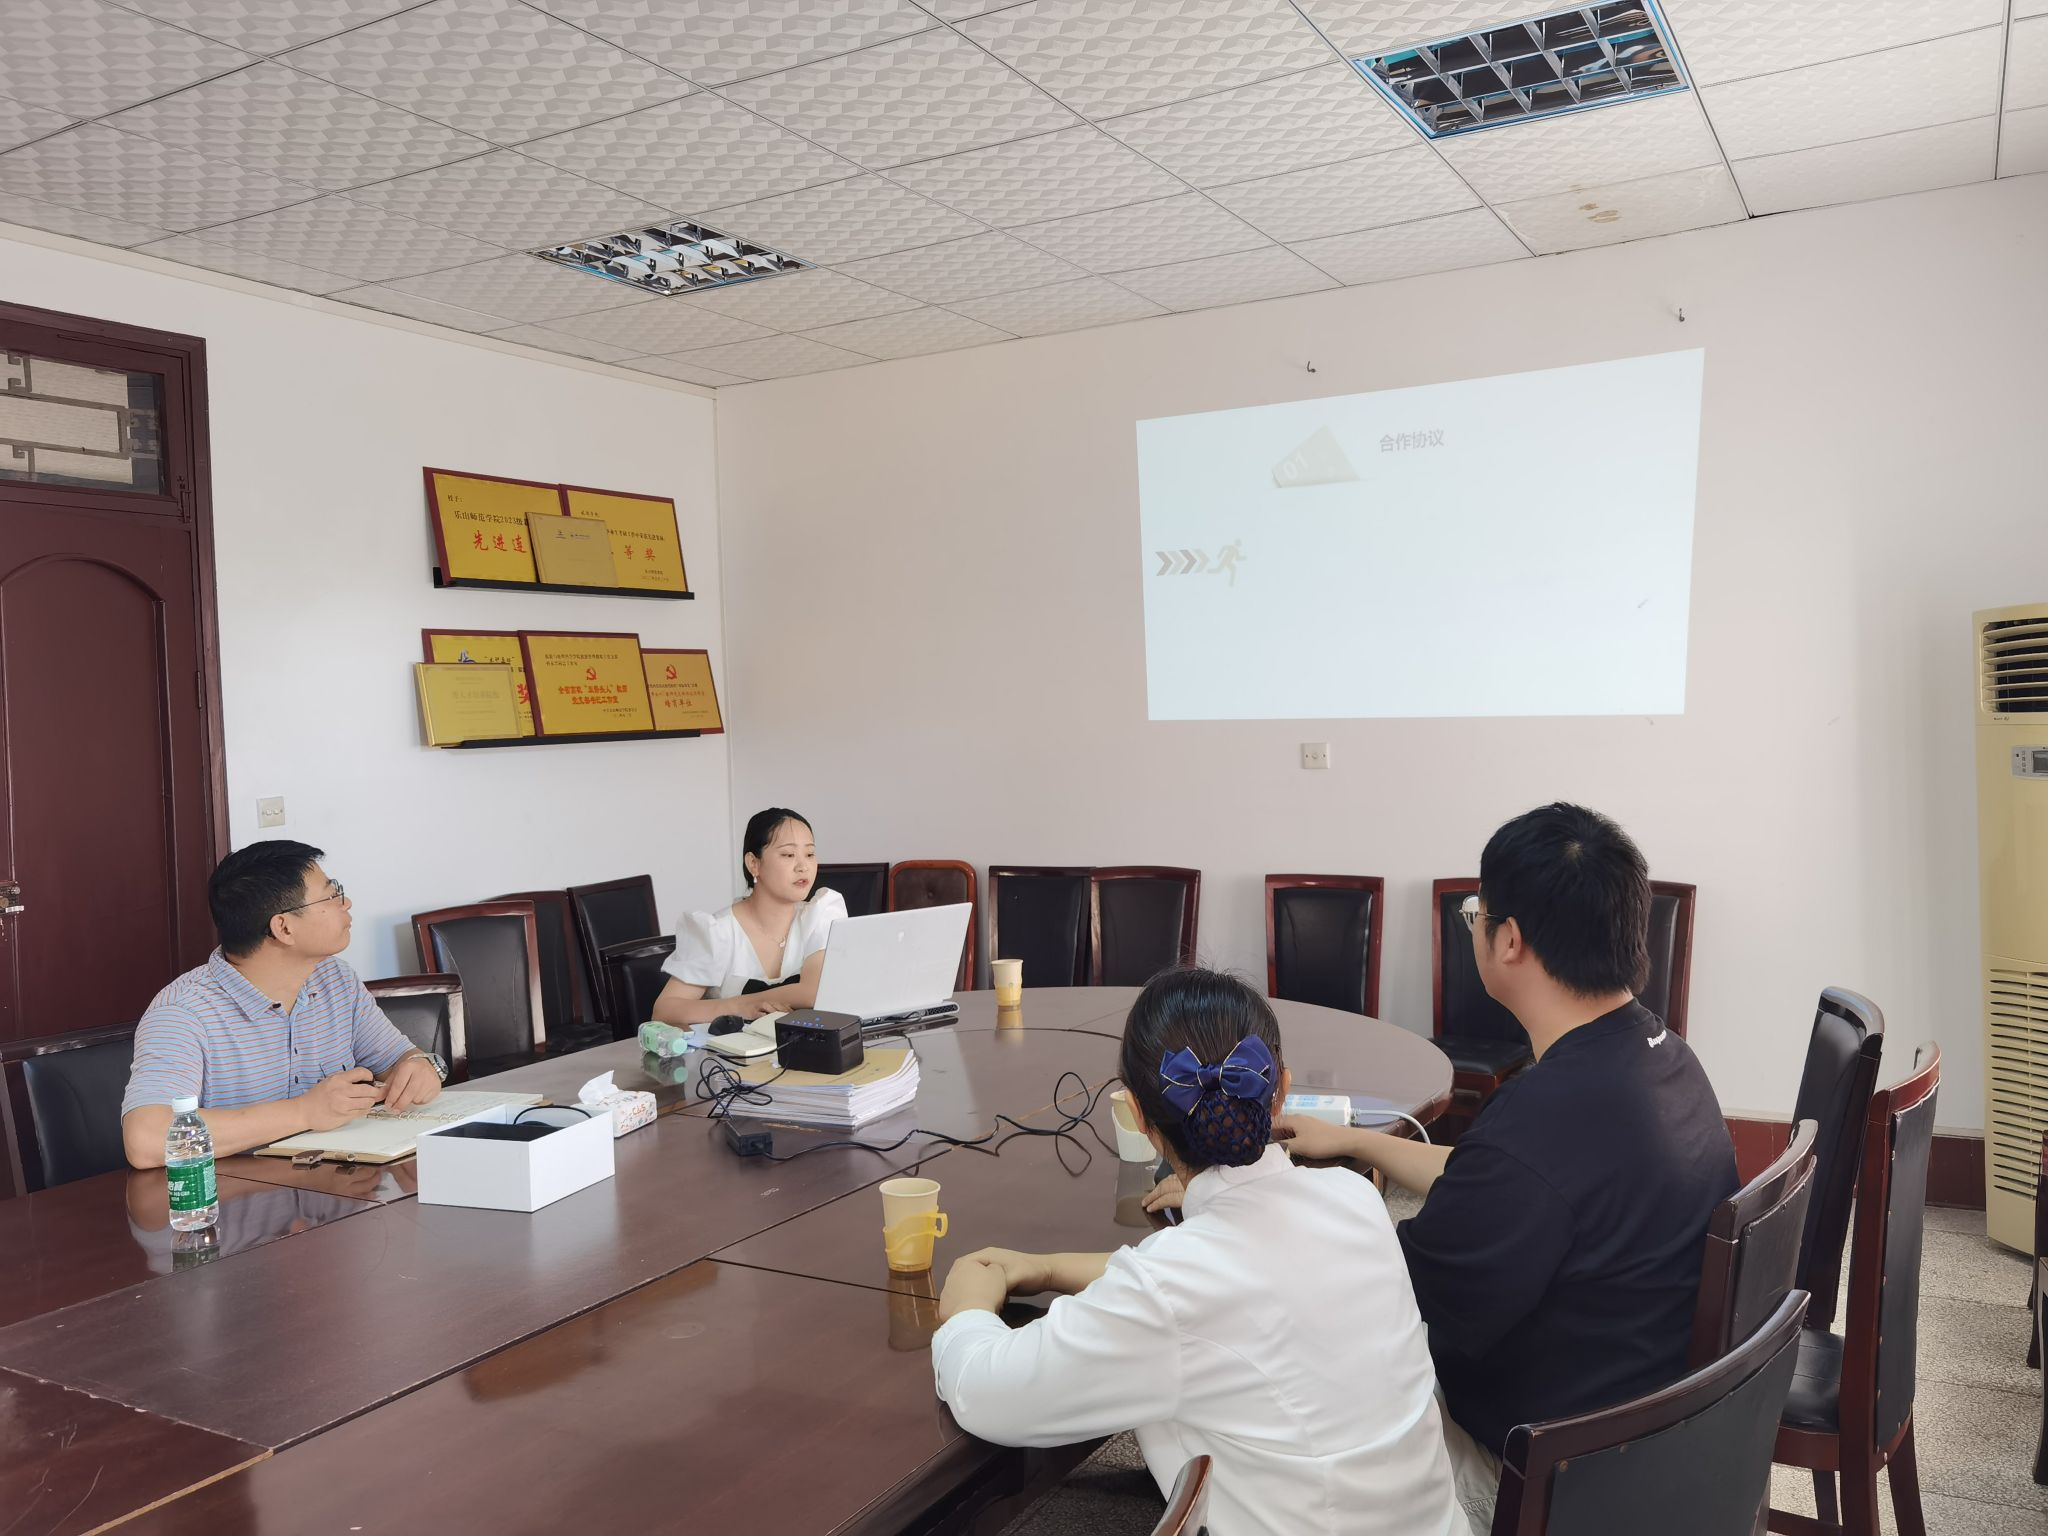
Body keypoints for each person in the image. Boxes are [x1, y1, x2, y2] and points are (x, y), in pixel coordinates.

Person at [1259, 803, 1737, 1528]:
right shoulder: (1662, 1058)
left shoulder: (1542, 1118)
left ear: (1509, 939)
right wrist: (1358, 1142)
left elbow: (1392, 1296)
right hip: (1644, 1433)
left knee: (1264, 1347)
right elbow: (1511, 1180)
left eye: (1476, 914)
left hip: (1544, 1475)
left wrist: (1261, 1214)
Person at [930, 969, 1469, 1536]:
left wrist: (967, 1311)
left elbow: (988, 1394)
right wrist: (1047, 1269)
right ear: (1281, 1089)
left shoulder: (1175, 1285)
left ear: (1137, 1115)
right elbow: (1224, 1290)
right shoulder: (1353, 1197)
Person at [120, 841, 446, 1168]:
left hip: (340, 1183)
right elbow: (146, 1139)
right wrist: (303, 1112)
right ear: (284, 928)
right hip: (241, 1193)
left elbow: (398, 1059)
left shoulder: (335, 979)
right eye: (331, 895)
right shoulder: (182, 1013)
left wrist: (421, 1066)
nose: (346, 903)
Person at [648, 807, 846, 1026]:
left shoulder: (820, 916)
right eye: (788, 855)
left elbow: (813, 992)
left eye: (809, 854)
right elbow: (665, 1010)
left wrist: (751, 1001)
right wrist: (738, 1007)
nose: (803, 867)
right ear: (753, 863)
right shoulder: (717, 932)